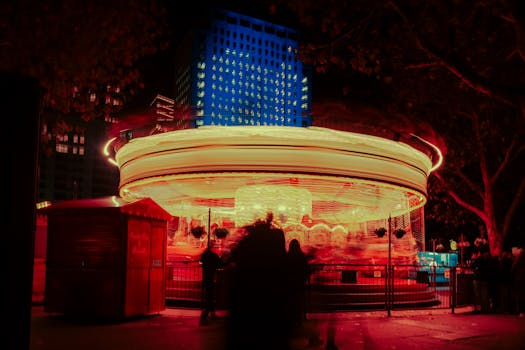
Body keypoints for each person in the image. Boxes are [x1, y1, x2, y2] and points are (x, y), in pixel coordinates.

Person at [286, 239, 309, 334]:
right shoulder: (302, 256)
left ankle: (292, 320)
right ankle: (299, 319)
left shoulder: (287, 257)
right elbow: (305, 269)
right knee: (299, 301)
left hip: (290, 283)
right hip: (299, 283)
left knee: (291, 302)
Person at [199, 241, 221, 325]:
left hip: (205, 277)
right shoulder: (214, 256)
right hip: (211, 277)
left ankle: (208, 311)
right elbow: (219, 264)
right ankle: (210, 312)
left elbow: (201, 262)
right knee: (210, 295)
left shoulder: (204, 255)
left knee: (208, 295)